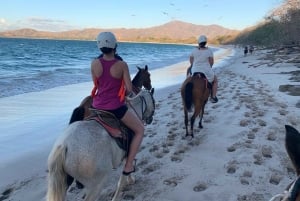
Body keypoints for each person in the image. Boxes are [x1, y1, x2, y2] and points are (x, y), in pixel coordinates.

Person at [91, 31, 144, 175]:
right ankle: (128, 166)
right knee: (140, 130)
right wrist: (124, 93)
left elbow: (97, 83)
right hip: (115, 108)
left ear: (99, 47)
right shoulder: (121, 65)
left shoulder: (94, 63)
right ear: (115, 46)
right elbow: (128, 89)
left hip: (96, 106)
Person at [189, 35, 218, 103]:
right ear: (205, 43)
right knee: (215, 80)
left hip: (195, 70)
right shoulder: (209, 51)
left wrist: (193, 65)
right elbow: (211, 62)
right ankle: (213, 97)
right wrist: (209, 67)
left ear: (198, 42)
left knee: (189, 77)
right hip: (206, 70)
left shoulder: (194, 50)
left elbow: (191, 60)